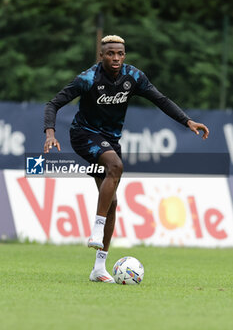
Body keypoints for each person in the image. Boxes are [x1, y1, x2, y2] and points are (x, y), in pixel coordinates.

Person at [44, 35, 209, 283]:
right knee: (116, 165)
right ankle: (97, 228)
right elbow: (53, 104)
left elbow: (160, 100)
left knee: (112, 203)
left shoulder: (133, 77)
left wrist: (187, 121)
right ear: (101, 55)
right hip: (83, 135)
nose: (116, 58)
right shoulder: (88, 78)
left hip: (110, 141)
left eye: (120, 54)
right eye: (111, 53)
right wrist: (50, 133)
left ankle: (99, 268)